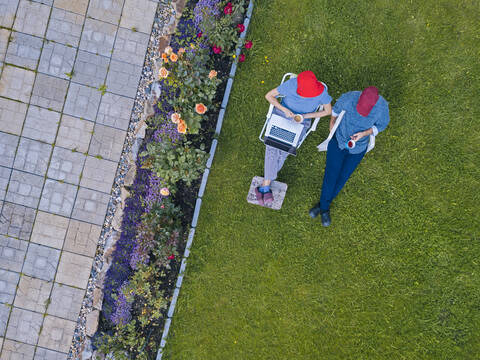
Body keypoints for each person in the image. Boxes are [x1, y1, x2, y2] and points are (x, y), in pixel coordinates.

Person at [309, 86, 390, 226]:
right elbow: (335, 110)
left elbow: (382, 125)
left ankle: (323, 205)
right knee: (331, 175)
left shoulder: (382, 107)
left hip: (358, 147)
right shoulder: (350, 97)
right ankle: (324, 209)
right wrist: (332, 123)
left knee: (343, 177)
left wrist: (364, 133)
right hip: (339, 141)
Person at [256, 71, 332, 205]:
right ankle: (266, 185)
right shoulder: (292, 84)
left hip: (301, 121)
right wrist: (284, 110)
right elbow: (269, 96)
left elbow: (328, 111)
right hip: (281, 114)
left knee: (283, 148)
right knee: (274, 145)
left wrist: (306, 116)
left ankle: (264, 185)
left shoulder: (321, 92)